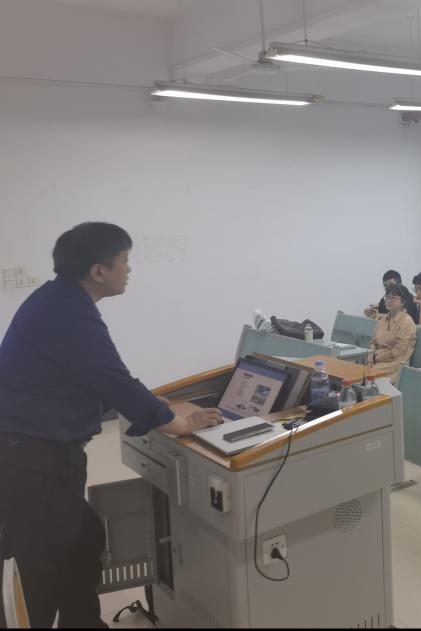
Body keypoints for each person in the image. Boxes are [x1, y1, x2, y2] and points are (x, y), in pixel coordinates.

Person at [0, 222, 223, 628]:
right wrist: (176, 423)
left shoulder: (58, 300)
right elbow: (111, 377)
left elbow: (81, 377)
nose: (129, 269)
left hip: (37, 448)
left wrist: (145, 405)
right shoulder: (68, 312)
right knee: (44, 562)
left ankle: (83, 621)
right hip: (33, 455)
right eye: (124, 261)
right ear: (98, 271)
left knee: (82, 540)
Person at [367, 284, 418, 378]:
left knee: (366, 377)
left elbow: (400, 348)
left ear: (403, 302)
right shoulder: (382, 320)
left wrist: (380, 357)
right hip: (377, 360)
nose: (389, 300)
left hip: (394, 363)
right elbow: (373, 342)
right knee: (357, 373)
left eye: (393, 298)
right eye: (387, 297)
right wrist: (370, 359)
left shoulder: (406, 321)